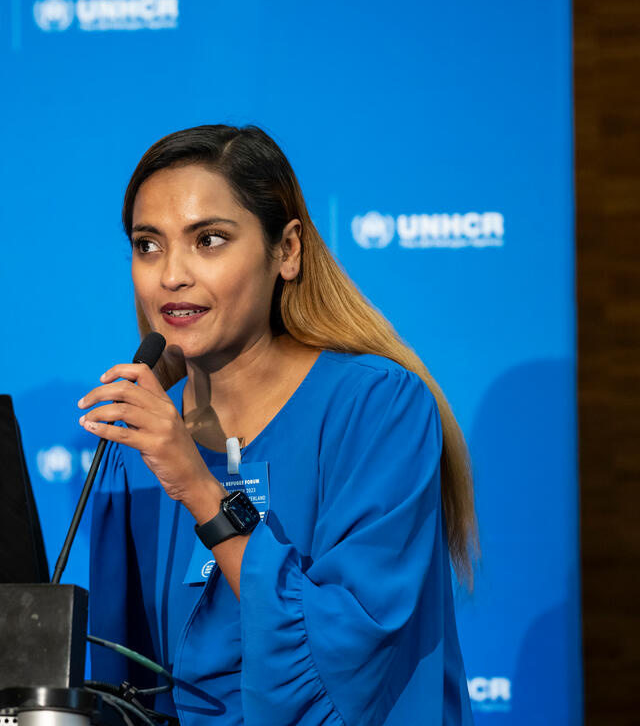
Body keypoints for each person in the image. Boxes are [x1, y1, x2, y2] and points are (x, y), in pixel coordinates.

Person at [79, 125, 477, 724]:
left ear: (286, 250)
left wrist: (201, 490)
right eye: (148, 245)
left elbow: (351, 655)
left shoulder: (377, 405)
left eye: (208, 240)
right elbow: (120, 686)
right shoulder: (140, 438)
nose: (171, 275)